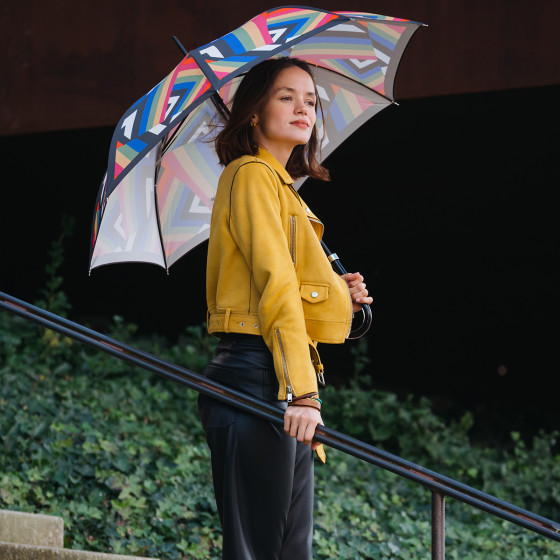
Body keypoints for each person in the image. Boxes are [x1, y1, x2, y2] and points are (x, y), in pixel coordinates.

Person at [198, 57, 373, 560]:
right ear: (254, 111)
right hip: (255, 377)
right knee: (258, 551)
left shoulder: (281, 188)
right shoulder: (250, 174)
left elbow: (294, 293)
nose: (304, 108)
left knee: (289, 552)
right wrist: (303, 392)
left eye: (311, 100)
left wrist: (340, 292)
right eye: (286, 97)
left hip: (277, 377)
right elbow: (276, 290)